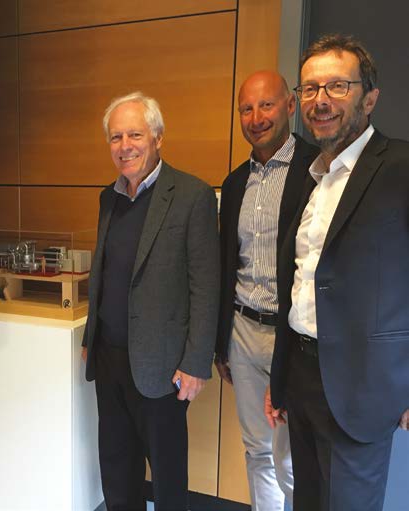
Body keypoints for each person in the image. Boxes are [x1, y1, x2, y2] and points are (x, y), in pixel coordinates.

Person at [265, 34, 409, 511]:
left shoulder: (401, 167)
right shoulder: (314, 177)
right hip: (303, 377)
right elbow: (301, 283)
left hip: (364, 387)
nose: (320, 100)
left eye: (337, 86)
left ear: (369, 98)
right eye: (309, 88)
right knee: (306, 500)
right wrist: (280, 379)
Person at [81, 92, 219, 511]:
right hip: (109, 359)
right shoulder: (109, 197)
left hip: (163, 364)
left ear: (158, 137)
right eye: (116, 137)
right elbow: (104, 272)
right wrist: (91, 337)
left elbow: (206, 285)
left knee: (167, 477)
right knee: (117, 470)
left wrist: (196, 362)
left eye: (135, 135)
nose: (124, 146)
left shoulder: (192, 195)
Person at [215, 70, 318, 511]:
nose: (256, 117)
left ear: (290, 105)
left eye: (267, 105)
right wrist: (221, 342)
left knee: (291, 458)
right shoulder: (235, 182)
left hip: (290, 337)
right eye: (247, 108)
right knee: (257, 449)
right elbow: (227, 264)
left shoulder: (316, 171)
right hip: (242, 332)